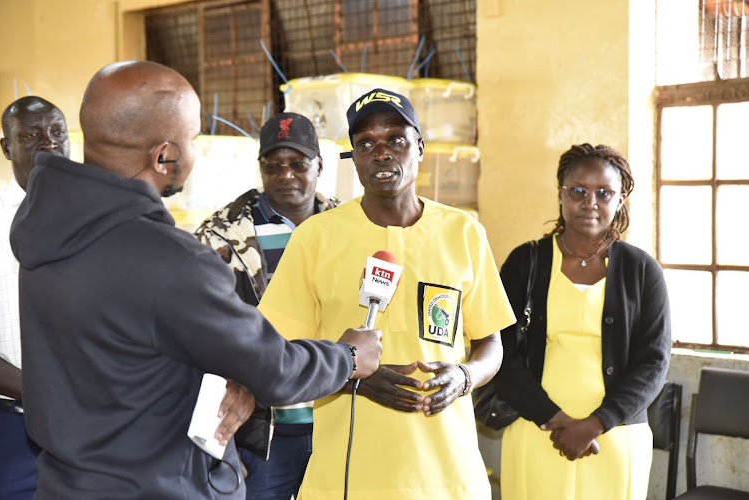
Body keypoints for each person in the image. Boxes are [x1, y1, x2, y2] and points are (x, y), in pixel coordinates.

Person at [9, 60, 382, 500]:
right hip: (160, 486)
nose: (195, 150)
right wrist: (349, 355)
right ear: (164, 155)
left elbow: (128, 353)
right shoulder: (172, 260)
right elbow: (276, 370)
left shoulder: (50, 231)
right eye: (194, 138)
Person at [257, 88, 516, 500]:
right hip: (346, 478)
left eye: (396, 139)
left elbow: (491, 344)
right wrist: (347, 376)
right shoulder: (316, 238)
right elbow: (279, 352)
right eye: (366, 144)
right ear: (354, 158)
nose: (381, 153)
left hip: (447, 478)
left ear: (420, 148)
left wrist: (464, 376)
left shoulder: (463, 232)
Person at [493, 143, 671, 500]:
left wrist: (596, 423)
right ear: (560, 194)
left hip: (615, 438)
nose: (590, 202)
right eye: (578, 191)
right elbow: (501, 351)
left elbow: (654, 361)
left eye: (604, 193)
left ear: (620, 199)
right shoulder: (525, 263)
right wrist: (554, 419)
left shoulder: (642, 270)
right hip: (537, 430)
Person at [195, 112, 338, 500]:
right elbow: (199, 340)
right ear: (260, 169)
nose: (286, 174)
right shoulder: (221, 235)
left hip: (338, 422)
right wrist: (217, 444)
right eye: (273, 165)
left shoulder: (348, 227)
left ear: (320, 166)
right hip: (262, 434)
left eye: (298, 164)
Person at [0, 96, 69, 500]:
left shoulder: (106, 215)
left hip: (97, 422)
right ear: (7, 148)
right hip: (14, 430)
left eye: (57, 131)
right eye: (31, 134)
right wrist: (44, 393)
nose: (49, 142)